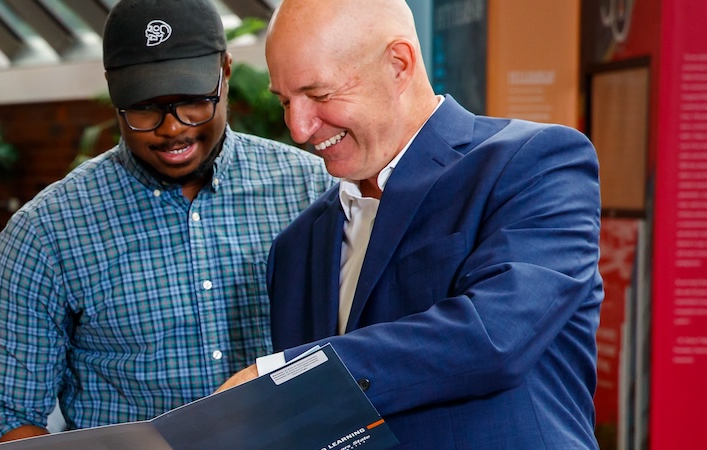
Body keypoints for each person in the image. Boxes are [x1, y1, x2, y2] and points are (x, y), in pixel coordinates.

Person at [214, 0, 603, 448]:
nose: (298, 129)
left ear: (399, 64)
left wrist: (287, 376)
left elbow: (495, 337)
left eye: (319, 95)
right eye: (285, 101)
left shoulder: (534, 163)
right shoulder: (297, 246)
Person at [0, 0, 332, 445]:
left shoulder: (312, 188)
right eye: (144, 108)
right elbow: (5, 420)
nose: (172, 129)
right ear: (113, 90)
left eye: (193, 102)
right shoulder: (44, 233)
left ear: (226, 70)